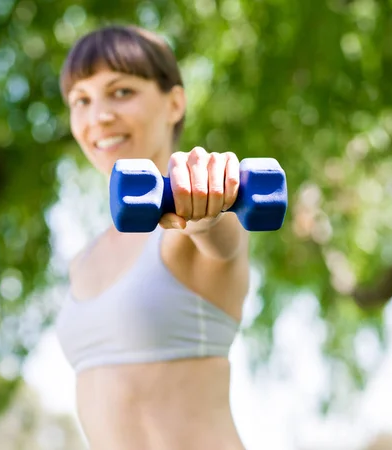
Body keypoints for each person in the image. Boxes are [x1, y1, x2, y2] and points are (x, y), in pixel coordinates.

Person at [54, 24, 251, 450]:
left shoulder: (191, 224)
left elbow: (221, 237)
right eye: (81, 100)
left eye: (121, 91)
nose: (98, 116)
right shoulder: (83, 259)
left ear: (174, 102)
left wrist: (205, 204)